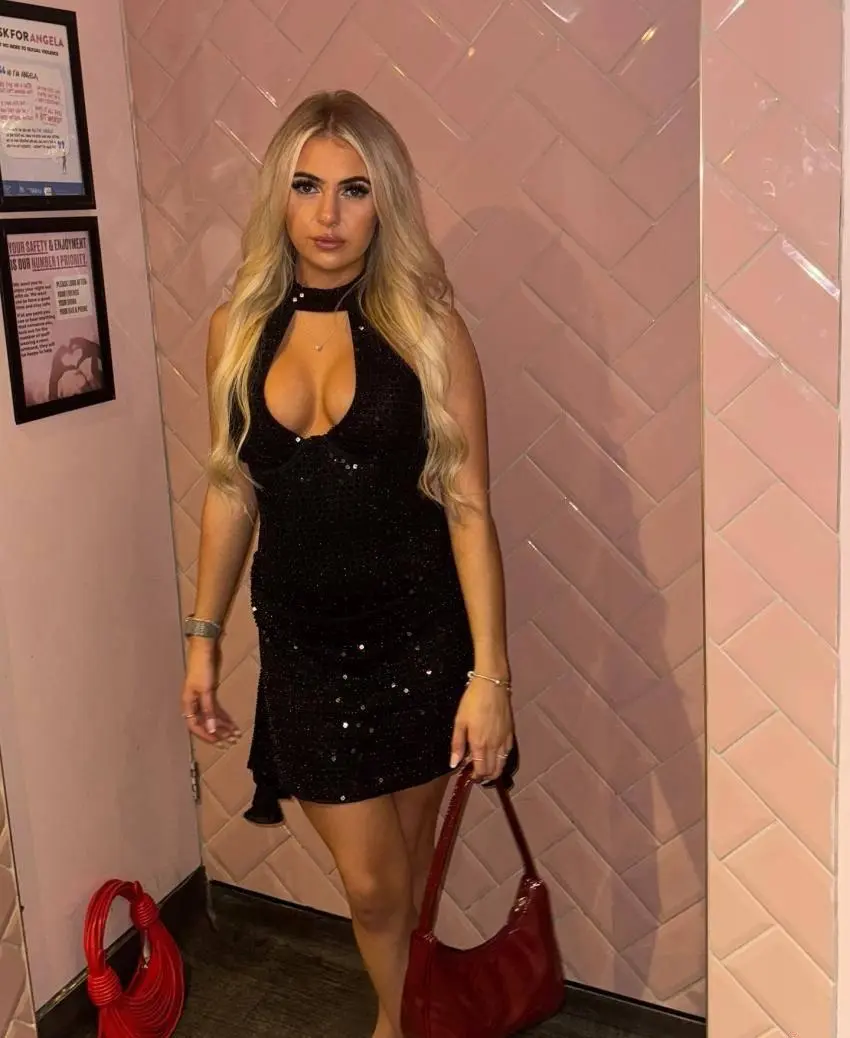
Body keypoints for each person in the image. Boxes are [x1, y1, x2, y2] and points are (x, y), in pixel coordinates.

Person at [180, 89, 516, 1038]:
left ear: (386, 201)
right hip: (306, 653)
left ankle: (397, 1021)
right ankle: (404, 1023)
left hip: (421, 641)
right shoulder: (235, 330)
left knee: (404, 875)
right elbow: (230, 490)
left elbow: (469, 506)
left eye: (355, 189)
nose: (328, 214)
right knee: (371, 886)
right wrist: (202, 638)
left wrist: (489, 676)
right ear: (278, 197)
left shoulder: (428, 330)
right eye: (307, 186)